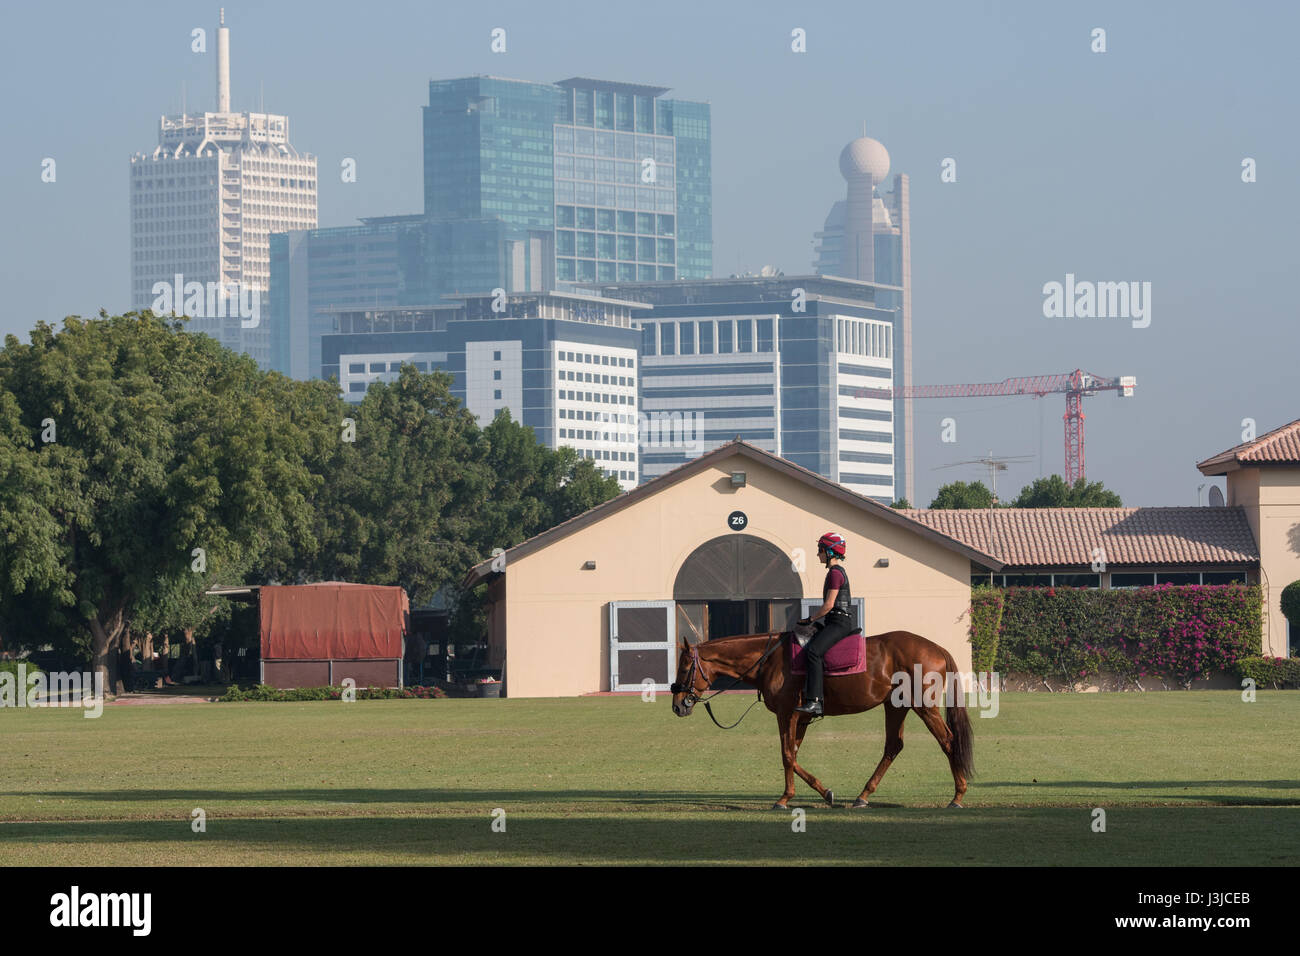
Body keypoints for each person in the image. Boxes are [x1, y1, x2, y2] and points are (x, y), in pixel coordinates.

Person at [794, 532, 858, 716]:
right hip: (834, 621)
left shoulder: (835, 574)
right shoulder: (834, 572)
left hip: (839, 623)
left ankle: (815, 702)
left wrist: (810, 619)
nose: (818, 555)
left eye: (820, 550)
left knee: (814, 652)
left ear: (829, 552)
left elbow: (829, 605)